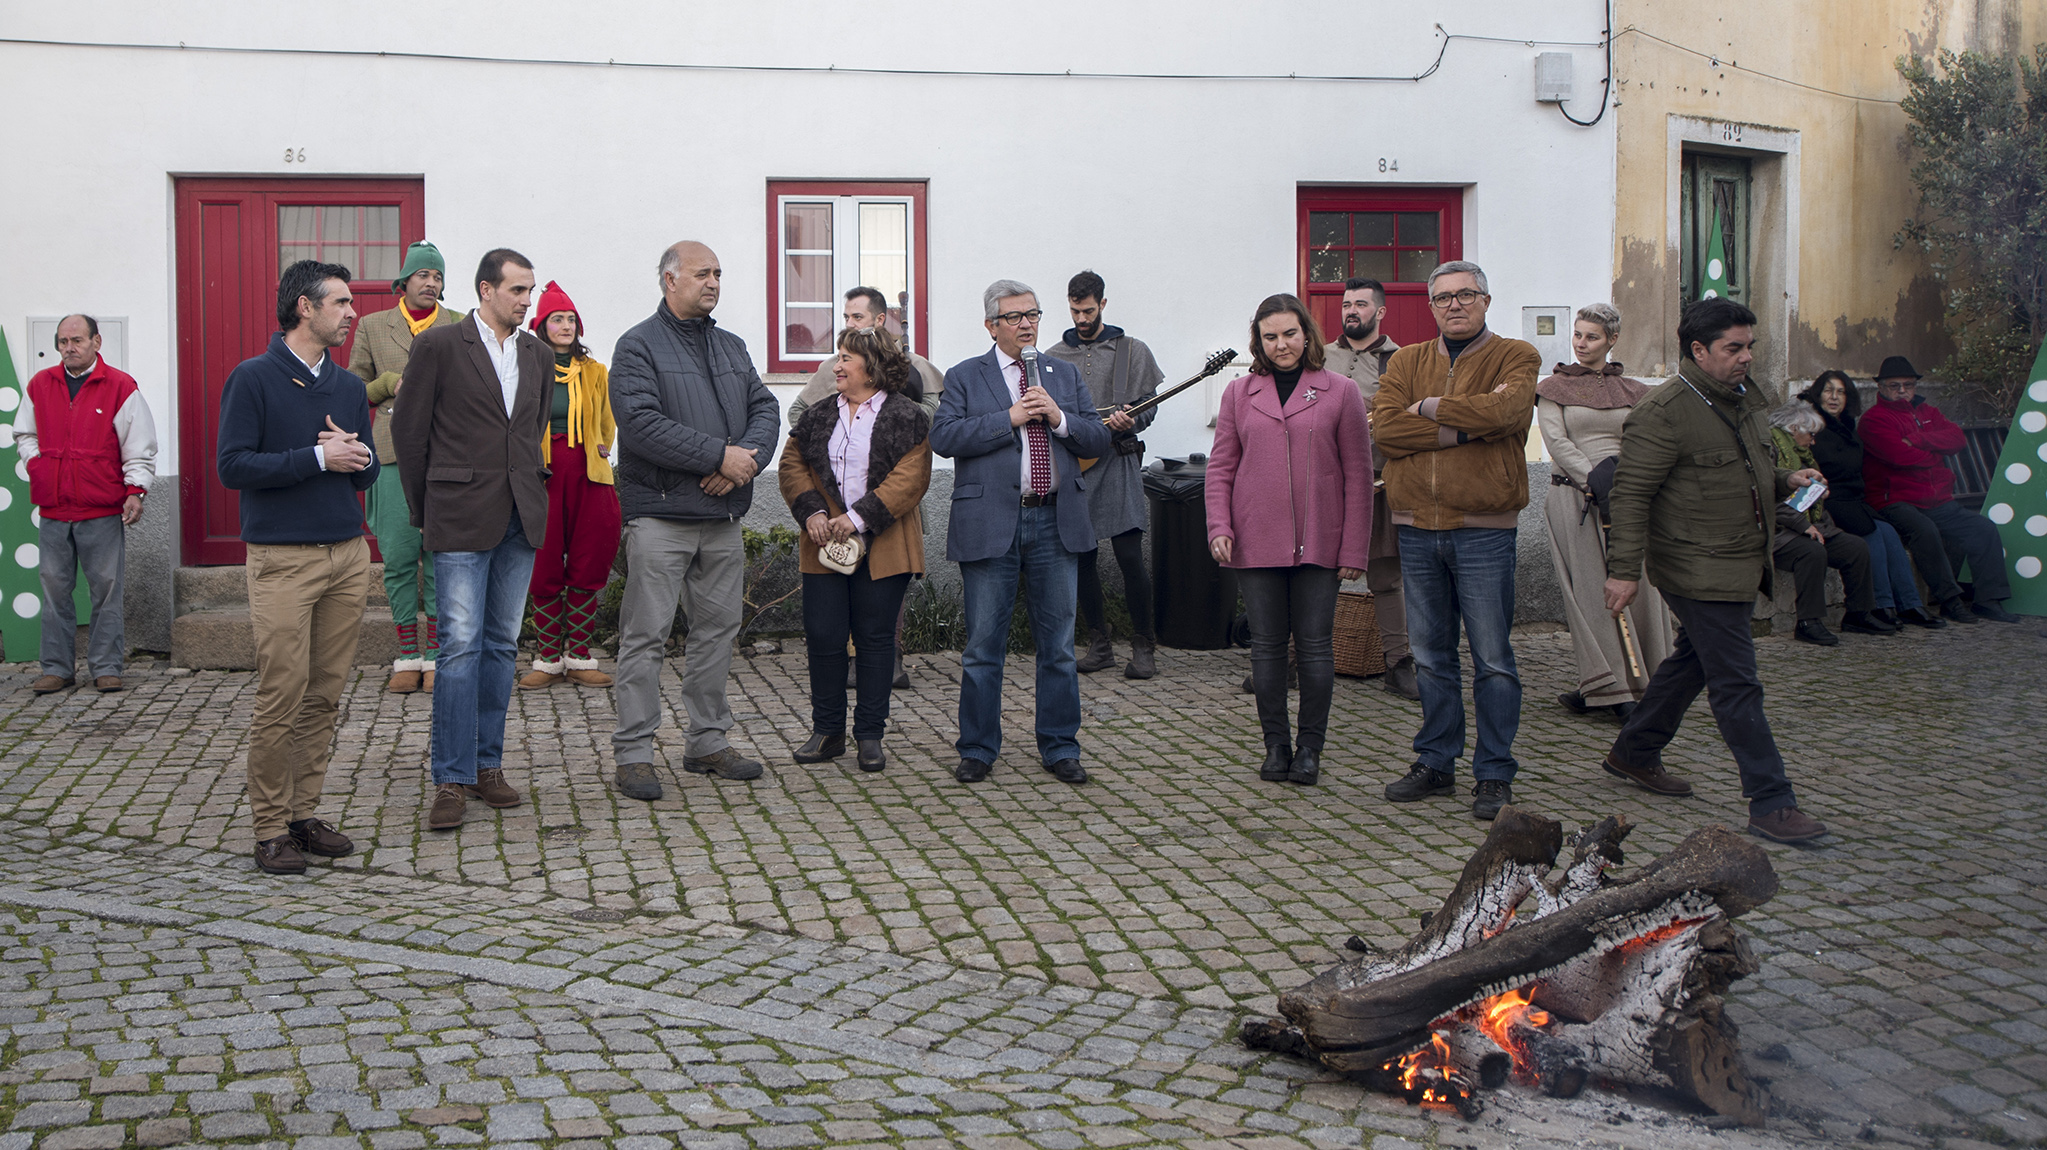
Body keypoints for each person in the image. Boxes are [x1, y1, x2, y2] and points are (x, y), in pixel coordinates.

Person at [1601, 297, 1829, 844]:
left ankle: (1634, 751)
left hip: (1742, 558)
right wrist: (1623, 571)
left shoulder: (1745, 399)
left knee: (1695, 662)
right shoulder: (1662, 413)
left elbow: (1749, 465)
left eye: (1750, 346)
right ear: (1699, 350)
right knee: (1737, 682)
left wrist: (1784, 481)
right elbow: (1630, 495)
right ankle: (1771, 802)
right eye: (1734, 348)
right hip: (1694, 566)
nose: (1746, 357)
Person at [216, 260, 378, 874]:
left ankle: (303, 816)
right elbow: (233, 467)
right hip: (283, 561)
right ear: (305, 308)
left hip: (346, 554)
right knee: (281, 693)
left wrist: (355, 456)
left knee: (324, 695)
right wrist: (315, 456)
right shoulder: (252, 378)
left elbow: (364, 471)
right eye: (339, 302)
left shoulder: (347, 389)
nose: (351, 311)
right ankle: (268, 827)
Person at [607, 241, 781, 801]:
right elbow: (639, 425)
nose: (713, 282)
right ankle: (634, 753)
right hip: (660, 516)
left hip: (722, 514)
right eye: (703, 273)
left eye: (719, 274)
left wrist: (742, 463)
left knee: (717, 634)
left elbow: (766, 409)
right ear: (668, 279)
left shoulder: (731, 346)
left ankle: (707, 742)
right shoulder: (636, 346)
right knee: (646, 637)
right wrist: (716, 456)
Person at [1371, 261, 1540, 821]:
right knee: (1430, 656)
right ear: (1431, 306)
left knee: (1492, 658)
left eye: (1466, 295)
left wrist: (1430, 410)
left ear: (1486, 300)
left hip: (1483, 529)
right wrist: (1469, 425)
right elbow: (1386, 428)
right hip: (1416, 526)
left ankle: (1493, 773)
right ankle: (1436, 761)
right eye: (1443, 298)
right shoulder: (1407, 360)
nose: (1454, 305)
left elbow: (1510, 411)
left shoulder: (1517, 356)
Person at [393, 249, 555, 831]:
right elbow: (409, 431)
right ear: (486, 289)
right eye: (517, 290)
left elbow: (531, 431)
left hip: (519, 517)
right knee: (458, 648)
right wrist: (426, 508)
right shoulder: (439, 345)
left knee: (502, 645)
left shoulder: (537, 352)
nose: (526, 300)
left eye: (530, 290)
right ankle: (451, 778)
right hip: (458, 514)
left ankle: (489, 766)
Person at [929, 279, 1111, 785]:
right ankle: (978, 748)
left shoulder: (1062, 374)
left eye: (1033, 314)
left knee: (1058, 646)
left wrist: (1058, 419)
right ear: (991, 325)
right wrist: (1008, 418)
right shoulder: (967, 375)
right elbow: (943, 436)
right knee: (984, 646)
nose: (1027, 323)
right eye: (1014, 317)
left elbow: (1098, 436)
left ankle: (1060, 746)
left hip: (1056, 520)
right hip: (992, 524)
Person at [1205, 294, 1371, 787]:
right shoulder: (1239, 392)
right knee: (1267, 649)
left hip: (1321, 540)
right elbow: (1221, 468)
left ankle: (1310, 750)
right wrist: (1219, 526)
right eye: (1270, 336)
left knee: (1317, 648)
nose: (1282, 345)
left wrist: (1354, 548)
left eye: (1290, 334)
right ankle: (1275, 746)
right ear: (1257, 340)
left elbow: (1359, 477)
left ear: (1307, 335)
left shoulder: (1340, 391)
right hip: (1255, 540)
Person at [778, 325, 932, 772]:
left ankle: (869, 735)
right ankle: (827, 732)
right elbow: (793, 463)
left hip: (883, 544)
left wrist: (858, 517)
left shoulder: (907, 416)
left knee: (875, 640)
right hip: (823, 542)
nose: (837, 365)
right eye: (838, 357)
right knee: (824, 638)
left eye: (846, 358)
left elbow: (912, 476)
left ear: (873, 366)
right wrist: (812, 513)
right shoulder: (819, 413)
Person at [787, 286, 944, 690]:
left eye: (857, 318)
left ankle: (888, 656)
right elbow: (799, 415)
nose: (850, 324)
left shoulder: (916, 365)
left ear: (879, 320)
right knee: (835, 604)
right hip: (833, 505)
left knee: (885, 584)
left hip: (891, 500)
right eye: (846, 318)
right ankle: (854, 669)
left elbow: (931, 421)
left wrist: (897, 419)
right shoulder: (834, 368)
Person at [1536, 303, 1672, 719]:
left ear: (1612, 340)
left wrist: (1627, 485)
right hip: (1576, 498)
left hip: (1630, 499)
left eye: (1591, 337)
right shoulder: (1552, 387)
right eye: (1578, 335)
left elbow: (1645, 441)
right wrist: (1597, 480)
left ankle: (1645, 681)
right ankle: (1607, 684)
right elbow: (1557, 443)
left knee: (1640, 590)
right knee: (1593, 594)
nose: (1581, 343)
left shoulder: (1634, 391)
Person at [17, 314, 157, 694]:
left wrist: (135, 490)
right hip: (54, 508)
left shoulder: (120, 387)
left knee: (106, 590)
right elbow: (24, 433)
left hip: (100, 507)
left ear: (97, 341)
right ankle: (57, 668)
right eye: (63, 341)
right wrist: (38, 465)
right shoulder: (40, 385)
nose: (69, 347)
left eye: (77, 340)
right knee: (54, 591)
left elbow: (139, 444)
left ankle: (106, 667)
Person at [350, 241, 461, 693]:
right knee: (397, 556)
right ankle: (406, 654)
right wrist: (388, 383)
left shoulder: (457, 323)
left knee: (440, 556)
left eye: (437, 276)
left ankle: (435, 655)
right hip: (392, 453)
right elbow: (353, 389)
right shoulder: (373, 326)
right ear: (404, 280)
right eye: (423, 275)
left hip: (446, 456)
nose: (431, 283)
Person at [1045, 270, 1165, 680]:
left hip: (1119, 462)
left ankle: (1144, 644)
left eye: (1089, 310)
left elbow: (1150, 404)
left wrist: (1131, 421)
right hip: (1077, 467)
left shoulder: (1132, 351)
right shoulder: (1055, 356)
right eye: (1075, 310)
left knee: (1131, 557)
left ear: (1103, 304)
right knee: (1082, 558)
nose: (1081, 318)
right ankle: (1099, 643)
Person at [516, 281, 622, 691]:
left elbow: (608, 421)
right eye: (557, 319)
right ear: (541, 325)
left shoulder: (596, 371)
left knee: (589, 555)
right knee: (542, 561)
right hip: (540, 476)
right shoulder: (526, 365)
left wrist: (602, 447)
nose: (566, 326)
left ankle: (578, 654)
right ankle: (547, 658)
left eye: (571, 319)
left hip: (588, 474)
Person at [1860, 355, 2019, 624]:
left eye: (1908, 385)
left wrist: (1919, 439)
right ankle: (1949, 601)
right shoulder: (1874, 420)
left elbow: (1957, 439)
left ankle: (1987, 600)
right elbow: (1901, 457)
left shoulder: (1928, 413)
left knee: (1983, 529)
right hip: (1894, 500)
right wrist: (1935, 452)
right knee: (1925, 531)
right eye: (1894, 385)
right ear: (1881, 388)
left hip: (1936, 499)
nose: (1902, 391)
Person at [1322, 277, 1417, 700]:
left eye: (1361, 304)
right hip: (1324, 484)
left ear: (1379, 312)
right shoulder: (1319, 357)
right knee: (1311, 575)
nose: (1351, 311)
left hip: (1379, 484)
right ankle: (1291, 659)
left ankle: (1398, 664)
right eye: (1346, 304)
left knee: (1385, 577)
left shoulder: (1403, 360)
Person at [1796, 370, 1941, 628]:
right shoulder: (1812, 426)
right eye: (1828, 390)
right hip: (1827, 501)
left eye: (1841, 392)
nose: (1834, 397)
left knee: (1888, 532)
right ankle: (1880, 605)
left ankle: (1908, 604)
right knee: (1871, 534)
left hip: (1853, 500)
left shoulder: (1849, 427)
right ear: (1818, 394)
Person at [1766, 400, 1887, 645]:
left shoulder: (1803, 455)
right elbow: (1769, 500)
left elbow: (1802, 498)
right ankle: (1808, 622)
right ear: (1794, 429)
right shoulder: (1772, 451)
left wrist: (1818, 495)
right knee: (1812, 552)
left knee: (1854, 547)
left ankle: (1858, 613)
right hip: (1778, 531)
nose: (1813, 441)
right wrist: (1804, 525)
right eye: (1810, 434)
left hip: (1809, 525)